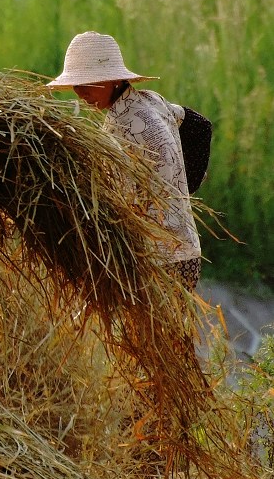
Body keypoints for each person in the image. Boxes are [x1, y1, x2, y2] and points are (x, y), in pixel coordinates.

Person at [47, 31, 201, 291]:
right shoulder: (152, 101)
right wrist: (184, 188)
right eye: (77, 84)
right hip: (187, 251)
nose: (80, 93)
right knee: (170, 332)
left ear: (114, 79)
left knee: (150, 333)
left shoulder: (121, 127)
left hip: (157, 260)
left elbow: (118, 207)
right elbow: (199, 125)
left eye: (89, 83)